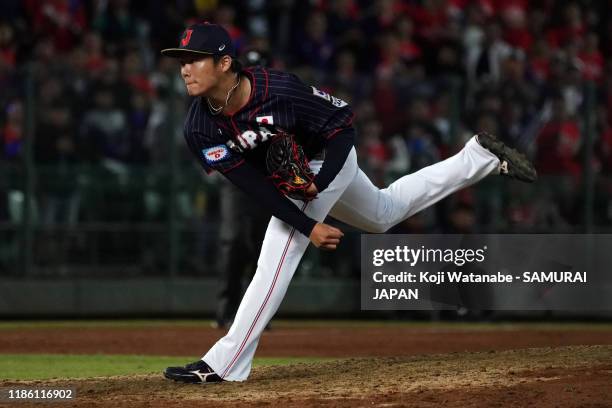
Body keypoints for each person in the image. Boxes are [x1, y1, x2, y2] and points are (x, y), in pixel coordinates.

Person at [161, 22, 536, 384]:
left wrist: (318, 189)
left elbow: (343, 126)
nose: (185, 70)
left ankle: (225, 363)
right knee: (383, 214)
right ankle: (477, 158)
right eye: (182, 61)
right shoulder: (199, 127)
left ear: (224, 63)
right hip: (294, 181)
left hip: (329, 158)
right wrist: (309, 222)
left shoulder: (278, 89)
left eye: (194, 59)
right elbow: (253, 187)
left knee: (277, 253)